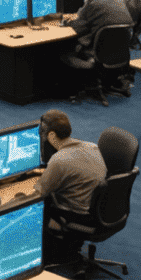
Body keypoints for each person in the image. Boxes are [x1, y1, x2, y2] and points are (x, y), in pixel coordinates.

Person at [37, 109, 107, 258]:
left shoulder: (59, 160)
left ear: (51, 135)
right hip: (100, 211)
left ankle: (48, 253)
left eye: (42, 133)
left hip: (77, 215)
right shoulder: (92, 146)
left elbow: (40, 192)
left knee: (42, 202)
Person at [63, 0, 132, 64]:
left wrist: (66, 22)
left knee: (62, 51)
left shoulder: (93, 4)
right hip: (120, 57)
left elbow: (77, 28)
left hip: (96, 56)